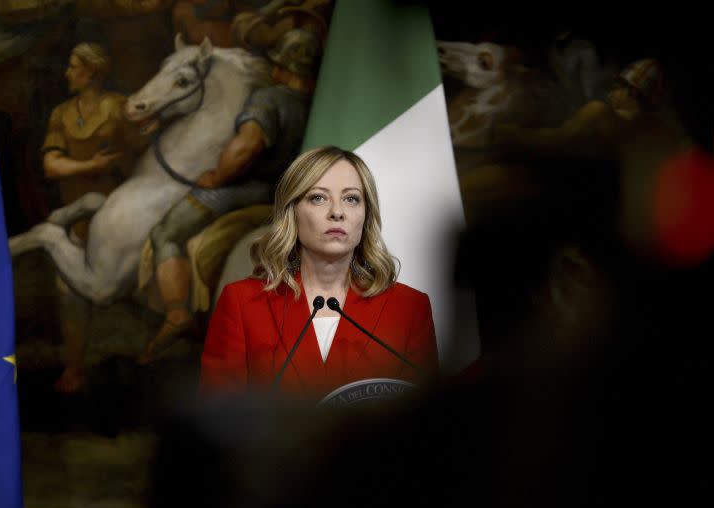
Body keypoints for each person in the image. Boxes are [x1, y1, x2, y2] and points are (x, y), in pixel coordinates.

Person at [197, 146, 440, 401]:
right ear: (292, 212)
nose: (337, 212)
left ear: (366, 215)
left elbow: (425, 422)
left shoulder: (408, 308)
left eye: (351, 198)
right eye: (318, 198)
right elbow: (217, 421)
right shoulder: (241, 303)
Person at [136, 27, 318, 365]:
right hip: (288, 195)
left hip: (250, 191)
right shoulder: (318, 104)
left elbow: (245, 148)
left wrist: (216, 176)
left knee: (166, 233)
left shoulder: (269, 98)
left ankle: (177, 313)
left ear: (281, 65)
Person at [40, 42, 150, 393]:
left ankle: (145, 364)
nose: (67, 73)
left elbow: (142, 149)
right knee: (68, 292)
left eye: (74, 67)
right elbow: (51, 165)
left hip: (118, 215)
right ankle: (75, 369)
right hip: (76, 218)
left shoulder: (118, 107)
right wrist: (90, 166)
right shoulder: (61, 114)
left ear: (91, 72)